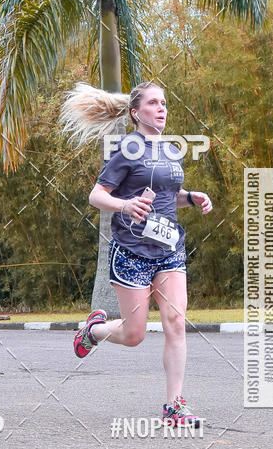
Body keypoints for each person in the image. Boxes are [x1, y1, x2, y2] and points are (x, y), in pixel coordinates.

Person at [62, 81, 213, 426]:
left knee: (176, 322)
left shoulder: (173, 152)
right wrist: (125, 205)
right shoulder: (127, 149)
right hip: (131, 250)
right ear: (135, 113)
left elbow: (165, 195)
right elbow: (97, 195)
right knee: (134, 335)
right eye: (153, 103)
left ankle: (174, 406)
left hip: (169, 248)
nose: (161, 108)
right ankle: (94, 330)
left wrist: (191, 197)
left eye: (164, 102)